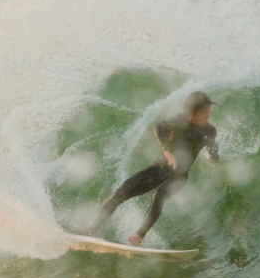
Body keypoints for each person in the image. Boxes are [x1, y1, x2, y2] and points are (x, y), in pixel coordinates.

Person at [88, 91, 219, 246]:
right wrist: (167, 150)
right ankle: (92, 228)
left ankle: (138, 237)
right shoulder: (180, 120)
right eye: (203, 112)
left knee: (159, 194)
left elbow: (213, 150)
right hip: (160, 168)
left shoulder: (210, 131)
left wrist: (215, 160)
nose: (207, 115)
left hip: (179, 176)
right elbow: (159, 128)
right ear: (191, 112)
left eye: (208, 111)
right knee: (122, 191)